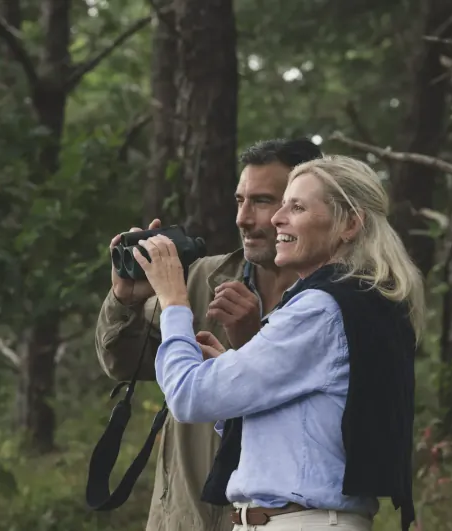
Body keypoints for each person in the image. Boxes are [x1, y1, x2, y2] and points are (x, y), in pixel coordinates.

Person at [134, 155, 425, 531]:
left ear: (350, 223)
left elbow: (189, 396)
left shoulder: (319, 309)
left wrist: (173, 299)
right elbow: (313, 430)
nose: (276, 218)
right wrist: (237, 367)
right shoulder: (363, 301)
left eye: (297, 206)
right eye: (282, 203)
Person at [95, 138, 323, 531]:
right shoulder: (202, 279)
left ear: (300, 208)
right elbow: (122, 361)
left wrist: (250, 342)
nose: (244, 218)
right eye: (240, 201)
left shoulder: (328, 304)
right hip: (184, 519)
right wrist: (125, 300)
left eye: (263, 201)